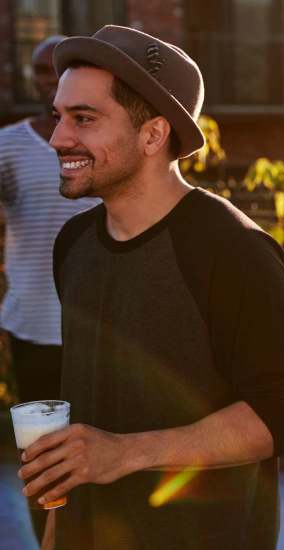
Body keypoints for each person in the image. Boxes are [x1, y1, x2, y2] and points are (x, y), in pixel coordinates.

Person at [17, 26, 284, 550]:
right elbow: (84, 404)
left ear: (154, 135)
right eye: (60, 114)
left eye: (83, 119)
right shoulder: (74, 243)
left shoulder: (234, 250)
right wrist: (57, 532)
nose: (58, 136)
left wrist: (125, 452)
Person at [0, 35, 99, 543]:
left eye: (57, 72)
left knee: (98, 452)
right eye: (40, 72)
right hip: (32, 327)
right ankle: (49, 541)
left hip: (101, 332)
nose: (47, 80)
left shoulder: (103, 146)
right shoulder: (10, 146)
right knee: (41, 460)